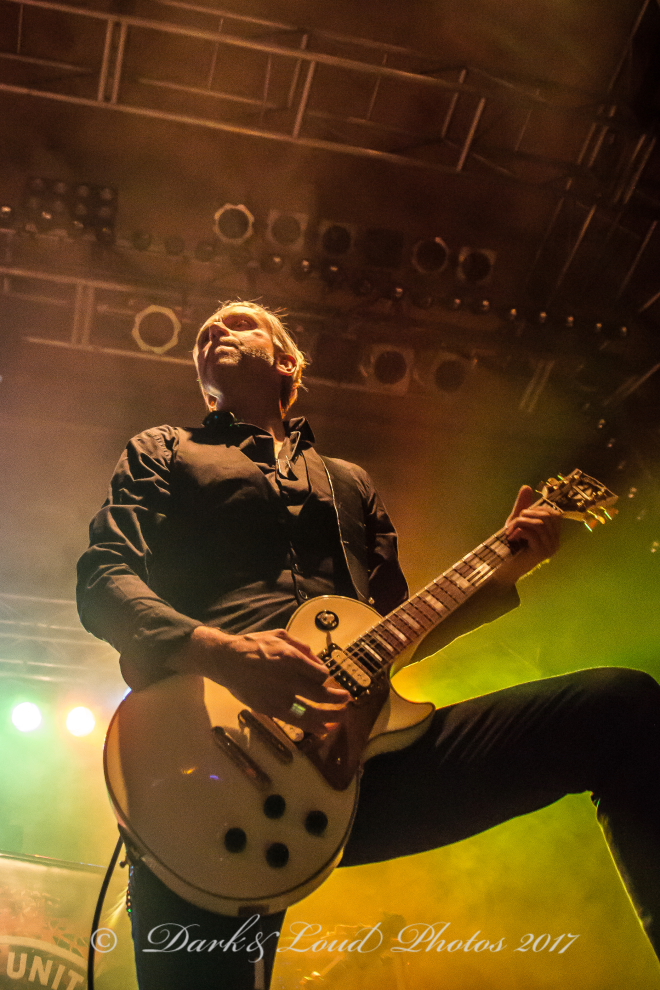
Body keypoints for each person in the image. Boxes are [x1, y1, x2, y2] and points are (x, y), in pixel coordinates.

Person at [77, 300, 660, 990]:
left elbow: (394, 630)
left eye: (237, 323)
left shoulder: (349, 482)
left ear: (288, 362)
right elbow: (104, 576)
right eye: (206, 334)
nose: (213, 332)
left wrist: (503, 570)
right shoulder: (164, 449)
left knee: (622, 710)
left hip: (363, 754)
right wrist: (223, 654)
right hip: (209, 760)